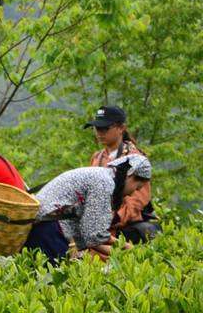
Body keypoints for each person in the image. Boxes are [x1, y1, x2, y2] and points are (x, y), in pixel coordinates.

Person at [24, 154, 152, 263]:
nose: (132, 194)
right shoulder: (104, 183)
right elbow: (94, 236)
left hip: (45, 226)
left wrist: (123, 254)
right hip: (47, 227)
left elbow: (89, 237)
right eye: (136, 187)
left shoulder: (102, 176)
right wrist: (127, 248)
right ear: (130, 174)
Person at [84, 105, 159, 243]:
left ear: (121, 128)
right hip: (100, 228)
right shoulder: (97, 157)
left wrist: (108, 220)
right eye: (97, 128)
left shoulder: (136, 159)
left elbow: (136, 202)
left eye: (105, 128)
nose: (100, 132)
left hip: (124, 230)